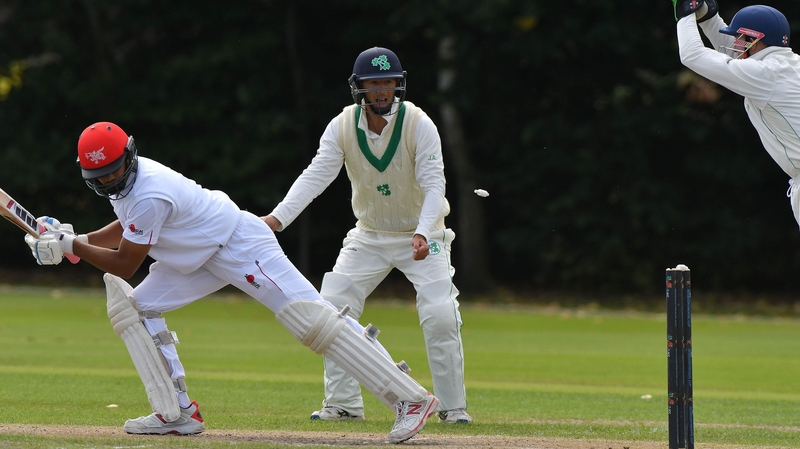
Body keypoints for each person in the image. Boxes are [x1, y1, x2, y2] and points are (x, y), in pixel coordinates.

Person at [24, 121, 440, 444]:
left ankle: (411, 398)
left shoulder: (148, 190)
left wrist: (69, 244)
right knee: (134, 309)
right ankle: (177, 414)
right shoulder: (125, 183)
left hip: (238, 245)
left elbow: (125, 265)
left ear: (129, 156)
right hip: (196, 256)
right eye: (100, 178)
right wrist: (74, 240)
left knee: (312, 319)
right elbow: (126, 228)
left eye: (114, 173)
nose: (110, 182)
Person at [261, 47, 471, 424]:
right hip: (369, 234)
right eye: (374, 84)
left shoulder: (419, 123)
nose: (382, 91)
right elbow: (316, 175)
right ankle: (343, 404)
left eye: (388, 83)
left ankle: (453, 408)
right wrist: (277, 219)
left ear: (398, 85)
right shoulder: (342, 126)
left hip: (424, 235)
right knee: (333, 303)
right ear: (359, 89)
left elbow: (434, 182)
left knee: (440, 314)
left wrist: (424, 232)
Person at [674, 2, 800, 229]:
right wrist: (706, 17)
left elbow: (692, 54)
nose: (736, 44)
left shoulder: (765, 74)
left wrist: (685, 14)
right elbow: (733, 54)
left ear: (755, 40)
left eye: (740, 38)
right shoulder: (789, 65)